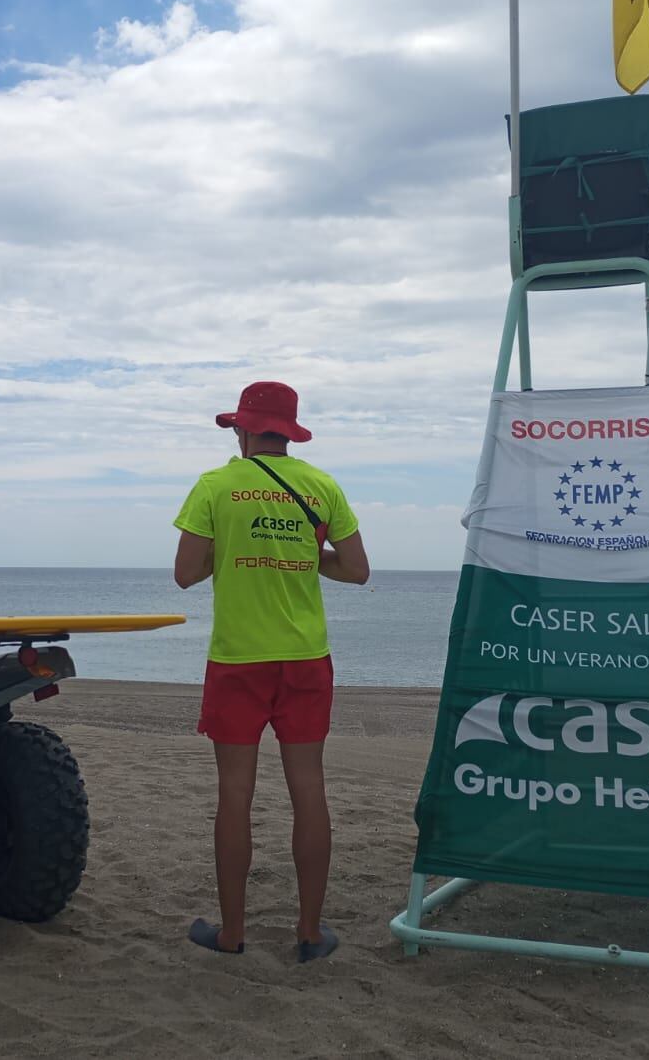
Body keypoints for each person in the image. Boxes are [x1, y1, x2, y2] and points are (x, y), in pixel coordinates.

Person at [172, 381, 369, 962]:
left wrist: (234, 551)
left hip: (238, 659)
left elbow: (186, 574)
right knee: (309, 790)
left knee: (235, 794)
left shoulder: (216, 485)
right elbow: (355, 569)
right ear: (289, 431)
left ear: (243, 429)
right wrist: (305, 556)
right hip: (306, 657)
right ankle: (309, 933)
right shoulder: (321, 485)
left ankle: (233, 935)